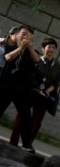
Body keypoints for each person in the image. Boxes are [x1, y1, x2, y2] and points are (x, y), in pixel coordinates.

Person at [10, 37, 60, 148]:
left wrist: (47, 91)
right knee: (22, 116)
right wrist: (37, 89)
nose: (51, 49)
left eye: (54, 47)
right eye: (49, 47)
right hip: (31, 91)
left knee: (37, 121)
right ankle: (13, 141)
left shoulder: (57, 65)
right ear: (43, 49)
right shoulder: (36, 59)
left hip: (45, 95)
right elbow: (30, 75)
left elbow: (56, 83)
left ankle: (27, 143)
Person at [0, 25, 40, 153]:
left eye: (29, 35)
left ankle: (27, 144)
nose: (26, 36)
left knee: (26, 116)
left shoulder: (31, 50)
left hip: (23, 90)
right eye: (23, 34)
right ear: (16, 35)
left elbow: (37, 60)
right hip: (6, 86)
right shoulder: (9, 46)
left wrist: (29, 47)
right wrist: (20, 48)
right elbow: (8, 58)